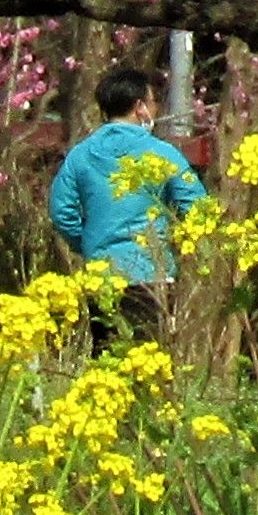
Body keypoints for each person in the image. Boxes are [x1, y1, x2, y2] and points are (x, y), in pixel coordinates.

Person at [45, 61, 206, 345]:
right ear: (139, 106)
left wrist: (88, 243)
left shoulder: (80, 155)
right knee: (149, 363)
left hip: (101, 276)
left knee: (106, 358)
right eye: (153, 103)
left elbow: (61, 212)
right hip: (151, 272)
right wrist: (181, 241)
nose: (155, 110)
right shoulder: (163, 152)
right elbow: (197, 206)